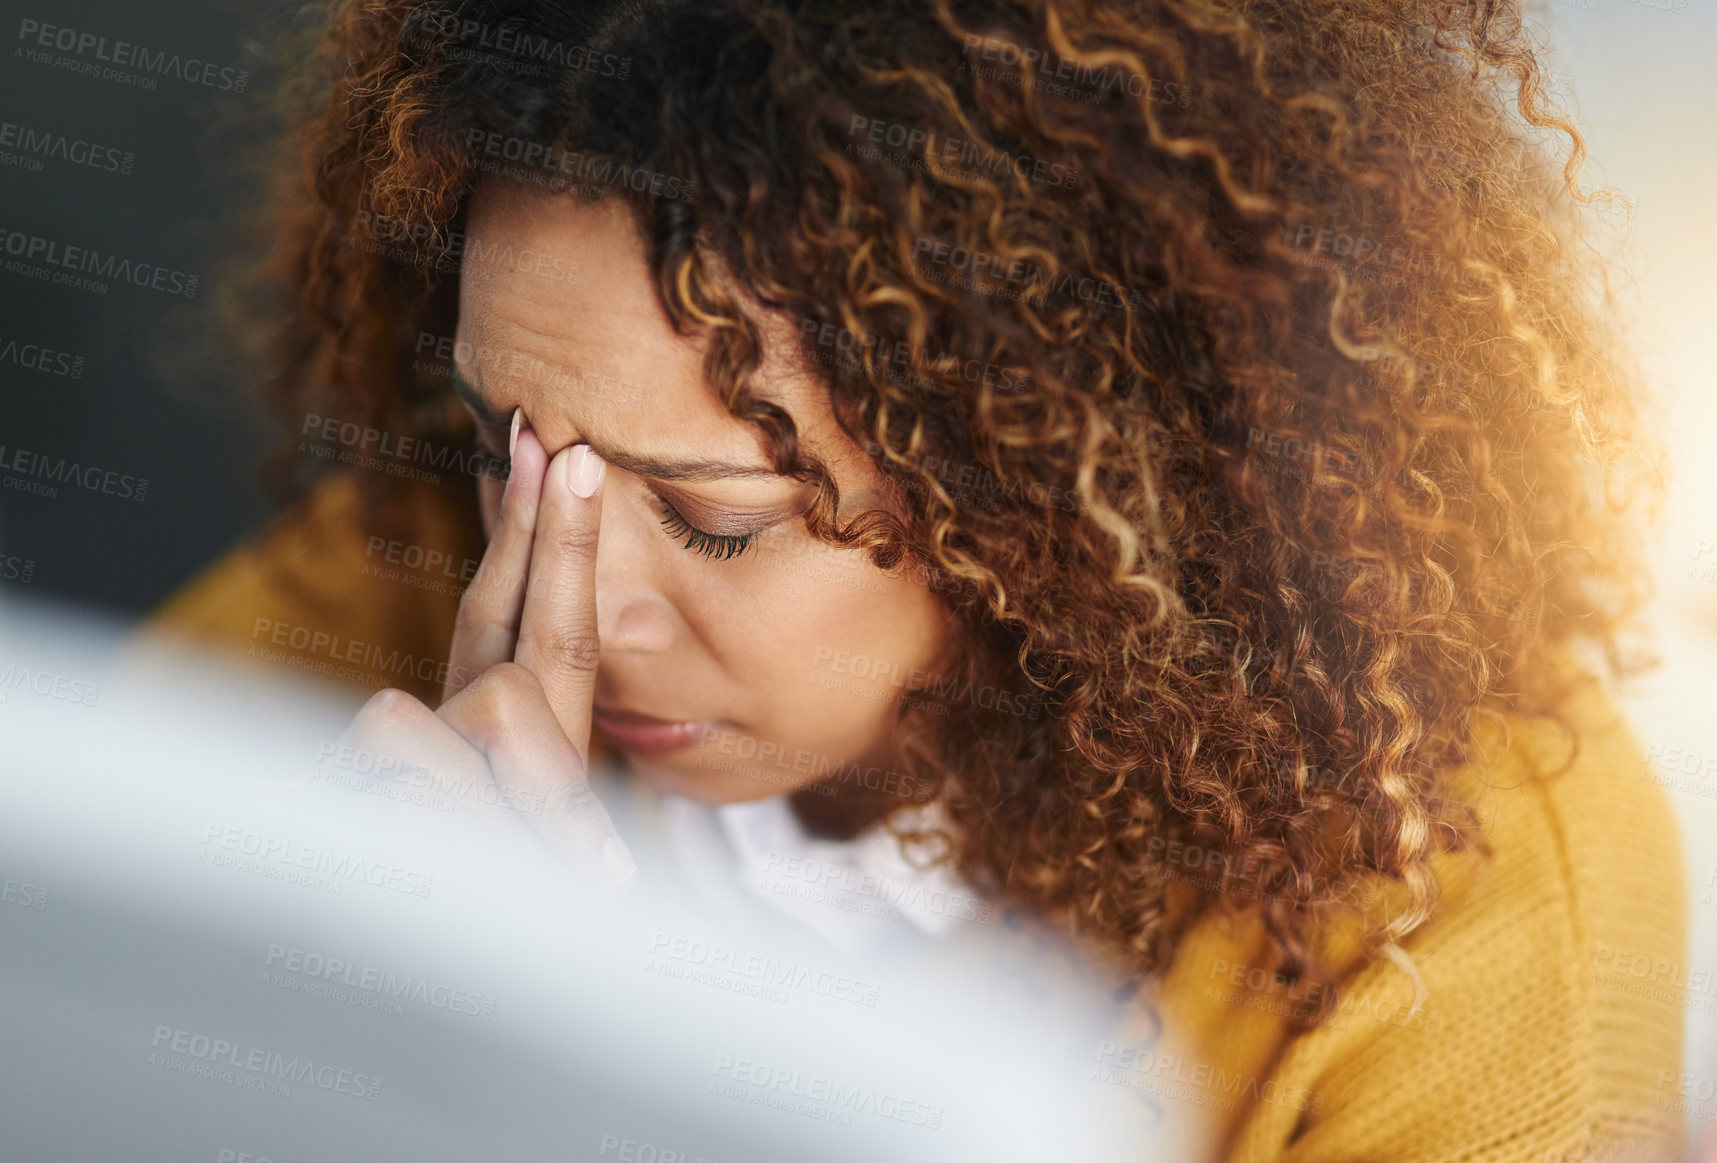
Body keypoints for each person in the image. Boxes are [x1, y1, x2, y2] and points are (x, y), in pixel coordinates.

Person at [145, 0, 1686, 1157]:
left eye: (721, 518)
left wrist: (578, 1055)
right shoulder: (400, 590)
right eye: (506, 439)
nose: (569, 597)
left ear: (1075, 483)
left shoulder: (1462, 925)